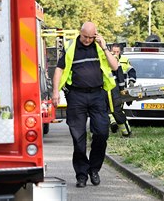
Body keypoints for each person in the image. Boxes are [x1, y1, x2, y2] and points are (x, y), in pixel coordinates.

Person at [51, 22, 118, 188]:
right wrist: (55, 92)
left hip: (97, 95)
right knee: (78, 138)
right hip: (76, 96)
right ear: (80, 34)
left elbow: (114, 66)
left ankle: (94, 169)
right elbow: (59, 70)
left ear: (96, 35)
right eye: (85, 37)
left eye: (91, 37)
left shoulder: (100, 47)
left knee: (102, 133)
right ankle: (81, 175)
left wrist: (104, 48)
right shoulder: (71, 47)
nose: (87, 40)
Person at [107, 43, 136, 138]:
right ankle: (113, 123)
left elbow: (130, 71)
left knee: (117, 110)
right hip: (107, 88)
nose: (115, 53)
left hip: (117, 88)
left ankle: (126, 131)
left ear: (120, 52)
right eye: (113, 51)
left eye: (117, 52)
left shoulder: (122, 60)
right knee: (107, 109)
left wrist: (130, 83)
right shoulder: (106, 58)